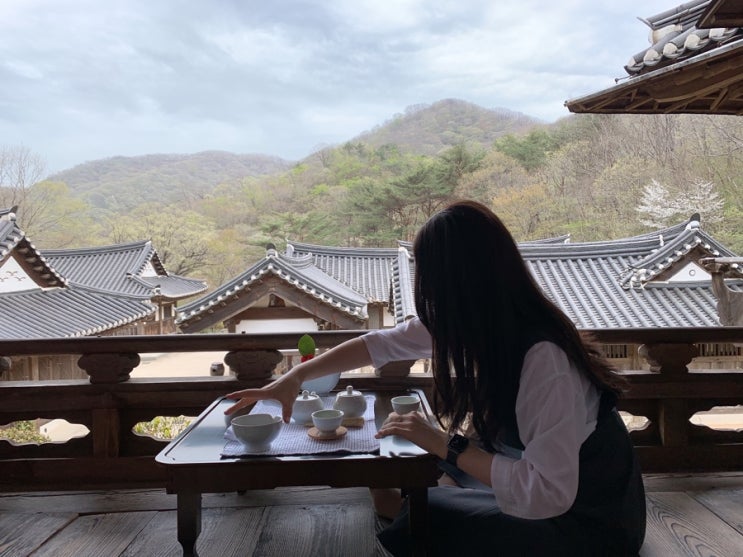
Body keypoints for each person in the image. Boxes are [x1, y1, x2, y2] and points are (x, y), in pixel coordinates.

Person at [225, 200, 646, 556]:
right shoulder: (482, 321)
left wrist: (445, 442)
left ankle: (414, 512)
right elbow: (380, 344)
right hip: (552, 492)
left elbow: (547, 494)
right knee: (438, 478)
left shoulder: (544, 360)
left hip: (589, 525)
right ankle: (415, 505)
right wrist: (294, 378)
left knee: (433, 505)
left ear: (454, 282)